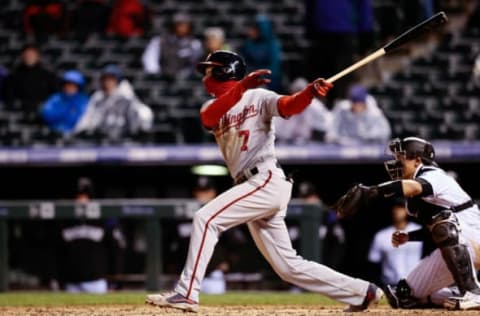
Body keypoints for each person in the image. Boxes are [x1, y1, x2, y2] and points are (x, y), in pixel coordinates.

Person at [145, 50, 383, 312]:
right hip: (253, 185)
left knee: (206, 218)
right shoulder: (212, 105)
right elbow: (209, 118)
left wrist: (309, 94)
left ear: (225, 71)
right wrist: (243, 87)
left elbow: (289, 106)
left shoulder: (258, 97)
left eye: (210, 69)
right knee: (288, 267)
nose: (206, 75)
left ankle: (187, 293)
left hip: (265, 178)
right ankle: (362, 292)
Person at [346, 137, 480, 310]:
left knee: (443, 226)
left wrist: (374, 191)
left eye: (401, 158)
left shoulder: (433, 174)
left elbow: (417, 190)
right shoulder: (412, 201)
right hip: (460, 243)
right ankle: (461, 295)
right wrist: (410, 236)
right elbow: (437, 231)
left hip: (475, 237)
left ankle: (474, 292)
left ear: (417, 160)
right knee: (404, 295)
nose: (396, 162)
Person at [59, 177, 126, 293]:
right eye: (78, 196)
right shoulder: (64, 219)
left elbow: (117, 247)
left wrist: (116, 276)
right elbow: (56, 251)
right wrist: (56, 278)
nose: (81, 200)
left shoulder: (104, 217)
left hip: (96, 282)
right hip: (71, 282)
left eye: (85, 195)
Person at [74, 64, 153, 141]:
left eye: (111, 79)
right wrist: (79, 131)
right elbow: (88, 118)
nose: (107, 83)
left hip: (124, 138)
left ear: (117, 81)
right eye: (105, 79)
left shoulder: (127, 97)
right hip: (102, 139)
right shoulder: (98, 97)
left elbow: (140, 117)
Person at [368, 199, 422, 287]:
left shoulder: (420, 232)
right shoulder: (381, 235)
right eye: (395, 208)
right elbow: (373, 262)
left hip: (416, 284)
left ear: (407, 210)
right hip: (390, 284)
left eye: (401, 208)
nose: (397, 211)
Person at [142, 13, 203, 78]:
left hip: (187, 78)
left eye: (185, 25)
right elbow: (150, 60)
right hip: (163, 76)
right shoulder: (159, 41)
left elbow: (195, 63)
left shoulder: (195, 44)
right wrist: (157, 75)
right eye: (179, 25)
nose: (182, 28)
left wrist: (185, 74)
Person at [326, 84, 391, 145]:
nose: (357, 107)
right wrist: (337, 139)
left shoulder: (374, 113)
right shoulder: (342, 109)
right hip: (344, 146)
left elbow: (385, 133)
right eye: (354, 104)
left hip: (368, 147)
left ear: (364, 103)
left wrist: (366, 137)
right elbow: (331, 132)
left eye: (360, 105)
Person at [274, 78, 332, 143]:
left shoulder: (315, 106)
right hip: (286, 143)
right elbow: (276, 129)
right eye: (296, 92)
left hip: (310, 144)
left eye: (301, 91)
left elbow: (327, 124)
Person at [3, 44, 58, 112]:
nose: (29, 57)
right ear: (22, 56)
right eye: (27, 54)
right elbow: (9, 97)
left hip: (44, 112)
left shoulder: (48, 76)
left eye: (32, 54)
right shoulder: (13, 76)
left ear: (38, 56)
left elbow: (55, 97)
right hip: (19, 112)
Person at [241, 15, 282, 92]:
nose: (250, 31)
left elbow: (274, 69)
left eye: (254, 29)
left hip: (269, 81)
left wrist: (257, 75)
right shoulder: (249, 44)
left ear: (262, 30)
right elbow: (245, 63)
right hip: (252, 78)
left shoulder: (272, 44)